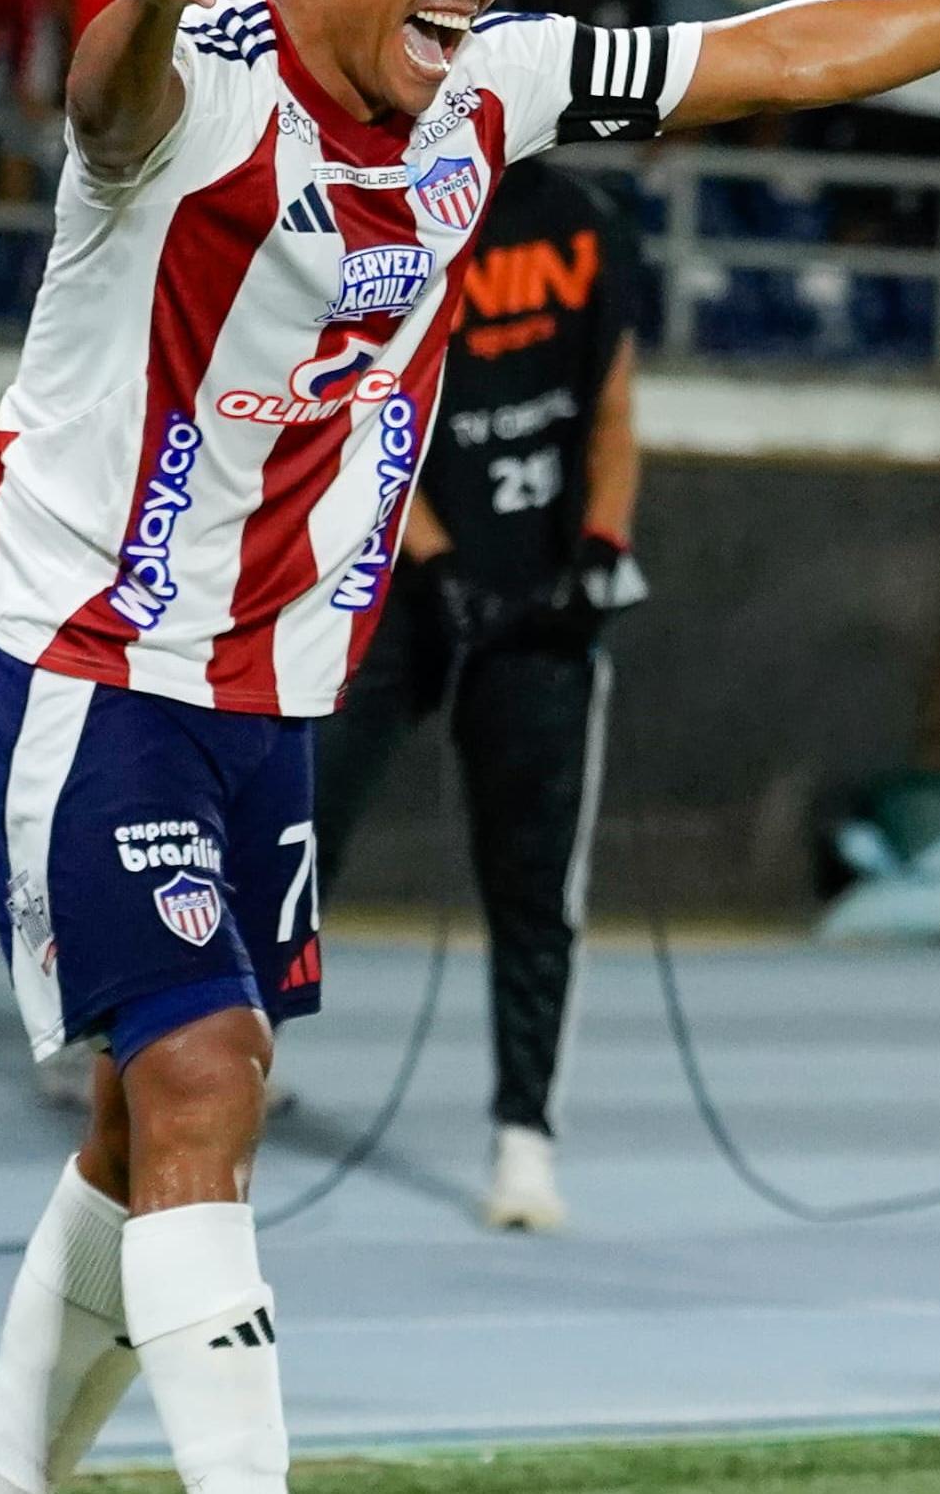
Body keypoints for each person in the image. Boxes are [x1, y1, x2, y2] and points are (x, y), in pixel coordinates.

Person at [0, 0, 940, 1493]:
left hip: (267, 673)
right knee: (207, 1072)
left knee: (155, 1121)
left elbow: (779, 55)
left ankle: (0, 1474)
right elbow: (102, 106)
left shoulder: (495, 87)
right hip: (85, 641)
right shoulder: (197, 77)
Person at [311, 155, 642, 1235]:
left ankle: (524, 1140)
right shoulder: (395, 209)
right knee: (293, 829)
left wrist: (602, 547)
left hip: (540, 603)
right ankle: (206, 1063)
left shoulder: (585, 220)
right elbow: (359, 409)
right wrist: (437, 559)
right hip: (392, 585)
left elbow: (614, 407)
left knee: (536, 886)